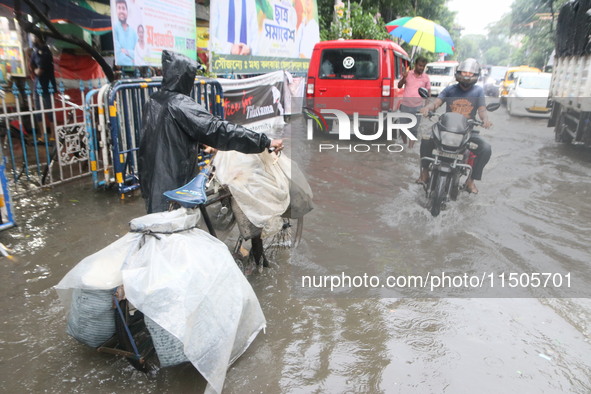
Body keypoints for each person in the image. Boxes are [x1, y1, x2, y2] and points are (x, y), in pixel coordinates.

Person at [138, 50, 283, 263]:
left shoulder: (154, 101)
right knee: (174, 241)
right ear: (185, 78)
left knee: (163, 241)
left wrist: (197, 145)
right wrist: (264, 141)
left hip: (151, 184)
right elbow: (218, 129)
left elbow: (166, 138)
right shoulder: (180, 104)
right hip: (175, 186)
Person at [419, 58, 492, 194]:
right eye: (464, 72)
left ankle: (470, 181)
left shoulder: (478, 91)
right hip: (446, 129)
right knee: (426, 139)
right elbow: (437, 102)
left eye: (470, 73)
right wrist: (428, 108)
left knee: (486, 148)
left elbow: (482, 109)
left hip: (467, 130)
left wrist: (485, 120)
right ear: (458, 73)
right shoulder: (450, 89)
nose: (466, 75)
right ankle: (424, 173)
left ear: (475, 76)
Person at [397, 56, 431, 148]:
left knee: (414, 130)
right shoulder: (408, 74)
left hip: (418, 107)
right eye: (420, 65)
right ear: (415, 65)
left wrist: (426, 107)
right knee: (402, 128)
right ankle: (404, 145)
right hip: (405, 106)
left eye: (423, 66)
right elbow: (399, 86)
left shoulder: (426, 78)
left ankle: (410, 149)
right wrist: (404, 78)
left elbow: (428, 94)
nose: (421, 68)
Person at [29, 34, 56, 135]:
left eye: (34, 37)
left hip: (47, 86)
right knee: (38, 111)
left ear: (39, 38)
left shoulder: (45, 53)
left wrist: (34, 69)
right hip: (38, 85)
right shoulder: (35, 52)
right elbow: (31, 67)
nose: (33, 39)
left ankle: (52, 134)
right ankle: (42, 135)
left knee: (50, 111)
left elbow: (38, 71)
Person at [113, 0, 137, 66]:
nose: (121, 11)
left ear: (127, 11)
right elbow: (118, 55)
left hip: (135, 68)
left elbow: (138, 55)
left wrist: (126, 51)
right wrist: (131, 58)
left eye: (123, 8)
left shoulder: (134, 32)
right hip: (121, 68)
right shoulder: (115, 28)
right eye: (119, 8)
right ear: (116, 10)